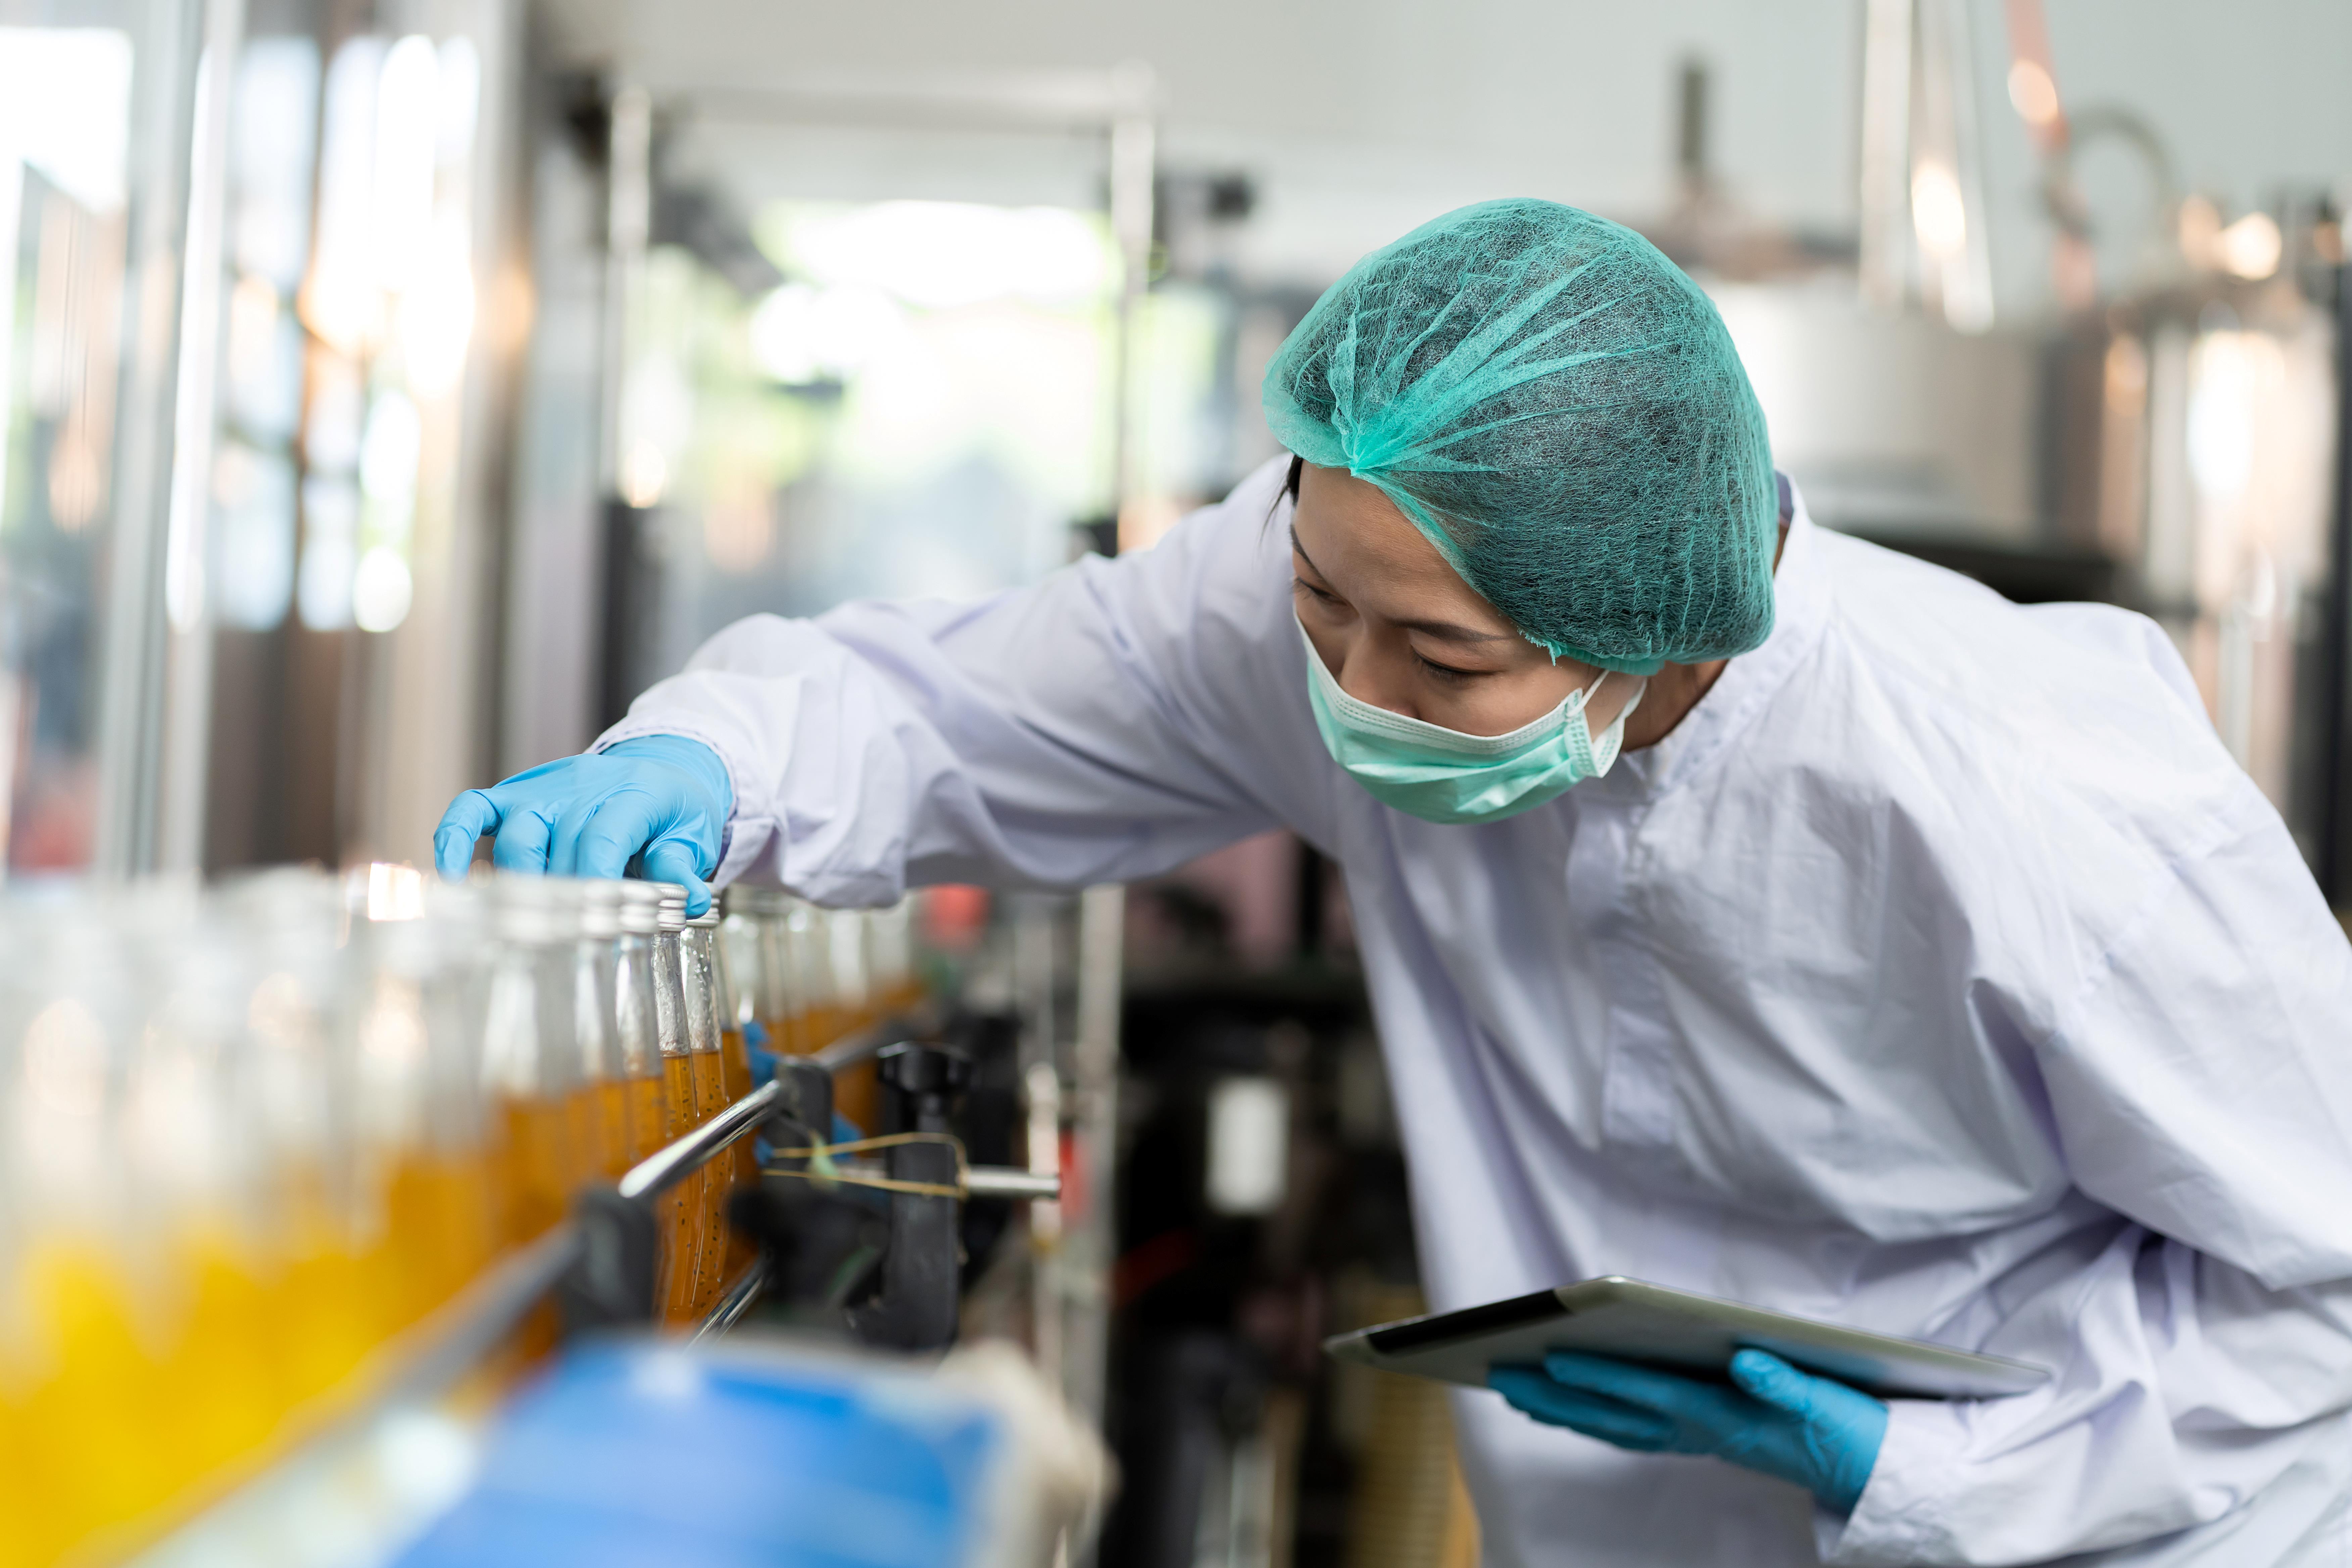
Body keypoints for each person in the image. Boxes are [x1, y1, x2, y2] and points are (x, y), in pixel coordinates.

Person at [436, 200, 2352, 1566]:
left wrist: (1940, 1471)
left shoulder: (2030, 799)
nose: (1350, 697)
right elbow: (964, 709)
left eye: (1440, 663)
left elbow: (2330, 1296)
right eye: (1313, 600)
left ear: (1657, 628)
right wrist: (705, 764)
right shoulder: (1342, 591)